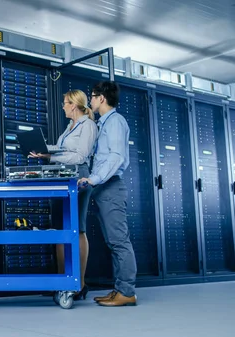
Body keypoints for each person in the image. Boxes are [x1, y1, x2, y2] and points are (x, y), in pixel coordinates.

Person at [29, 89, 97, 301]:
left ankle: (80, 283)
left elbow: (80, 155)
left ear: (74, 105)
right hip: (63, 178)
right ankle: (62, 282)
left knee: (77, 228)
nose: (63, 106)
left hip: (80, 178)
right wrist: (44, 151)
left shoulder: (88, 126)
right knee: (60, 228)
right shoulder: (70, 127)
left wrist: (53, 156)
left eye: (65, 103)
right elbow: (61, 148)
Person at [78, 81, 137, 307]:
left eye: (92, 97)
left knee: (119, 241)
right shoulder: (104, 123)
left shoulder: (115, 122)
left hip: (110, 186)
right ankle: (119, 289)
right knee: (113, 242)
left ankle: (127, 292)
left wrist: (92, 179)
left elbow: (116, 157)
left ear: (101, 98)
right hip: (104, 188)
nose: (90, 101)